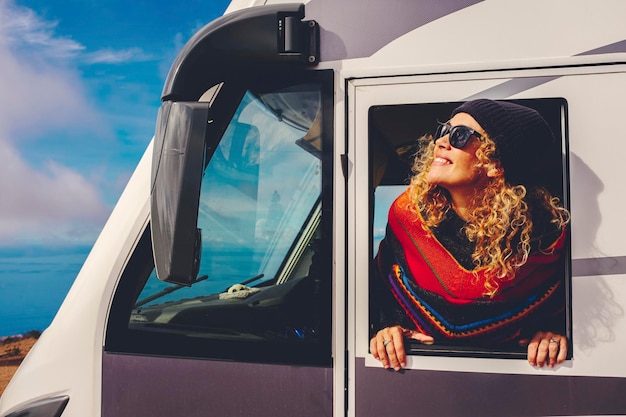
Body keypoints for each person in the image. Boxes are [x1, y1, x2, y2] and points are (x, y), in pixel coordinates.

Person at [370, 99, 570, 371]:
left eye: (460, 135)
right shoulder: (407, 217)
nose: (440, 142)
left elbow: (560, 306)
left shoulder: (543, 239)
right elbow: (379, 289)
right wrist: (386, 327)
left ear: (495, 163)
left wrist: (553, 332)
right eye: (443, 131)